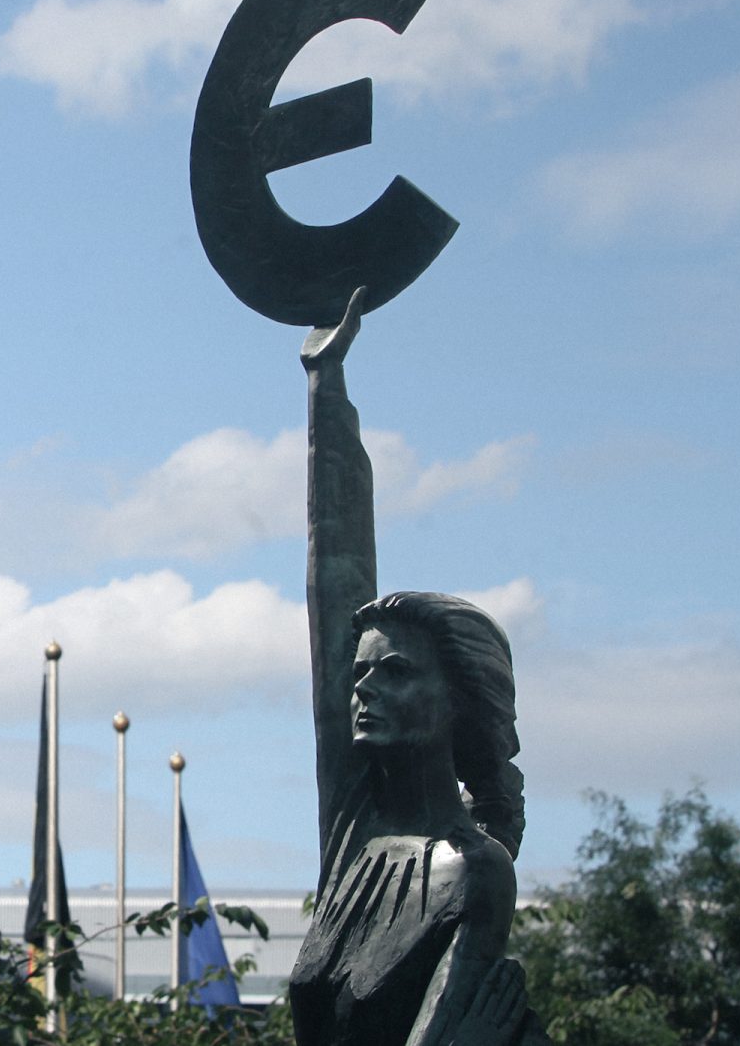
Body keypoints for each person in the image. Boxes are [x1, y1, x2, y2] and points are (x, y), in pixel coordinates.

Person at [288, 289, 545, 1046]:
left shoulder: (474, 872)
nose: (361, 687)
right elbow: (335, 581)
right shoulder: (353, 828)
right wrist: (324, 388)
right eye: (362, 672)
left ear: (457, 702)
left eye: (394, 672)